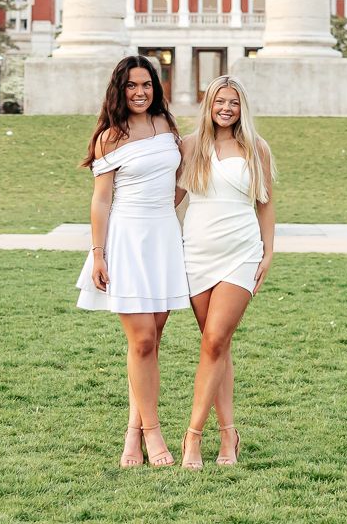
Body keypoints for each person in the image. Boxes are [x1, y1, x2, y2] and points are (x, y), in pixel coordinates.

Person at [75, 56, 192, 467]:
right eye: (131, 86)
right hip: (125, 240)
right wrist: (98, 254)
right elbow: (101, 199)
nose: (140, 92)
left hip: (163, 239)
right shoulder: (111, 136)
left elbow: (179, 185)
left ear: (155, 88)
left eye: (146, 84)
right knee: (141, 341)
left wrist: (164, 212)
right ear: (119, 90)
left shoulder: (167, 128)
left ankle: (132, 432)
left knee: (151, 344)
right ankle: (152, 432)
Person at [174, 75, 274, 469]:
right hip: (196, 253)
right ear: (209, 105)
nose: (226, 108)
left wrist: (269, 251)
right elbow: (170, 198)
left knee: (215, 341)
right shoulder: (190, 146)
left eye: (233, 102)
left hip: (241, 253)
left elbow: (265, 203)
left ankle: (193, 436)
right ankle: (229, 435)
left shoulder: (256, 148)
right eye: (219, 101)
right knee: (218, 346)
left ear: (241, 107)